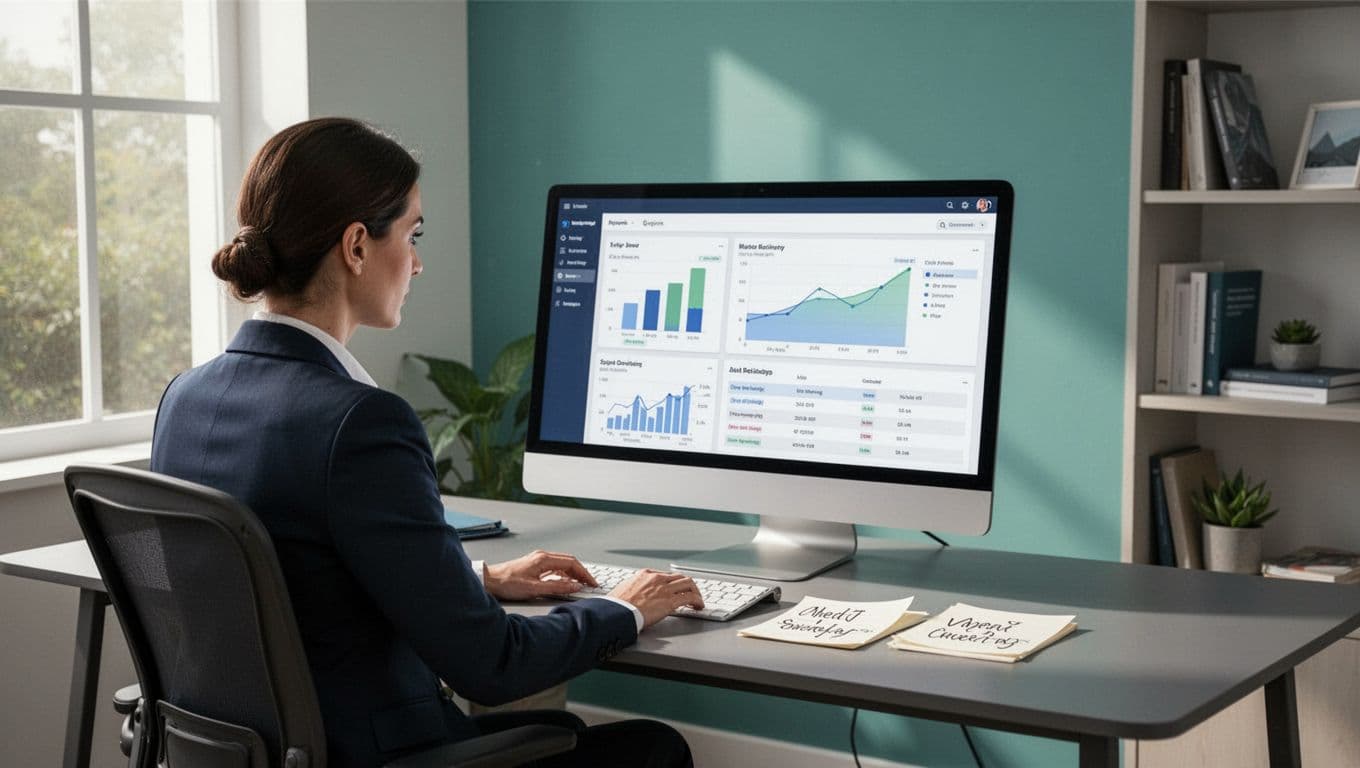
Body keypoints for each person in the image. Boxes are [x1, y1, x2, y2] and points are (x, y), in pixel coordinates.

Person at [150, 117, 702, 768]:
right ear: (357, 246)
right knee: (653, 750)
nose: (417, 261)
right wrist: (623, 608)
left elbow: (300, 579)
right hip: (372, 753)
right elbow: (492, 666)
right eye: (412, 234)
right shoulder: (361, 423)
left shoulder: (184, 398)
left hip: (265, 754)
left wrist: (475, 580)